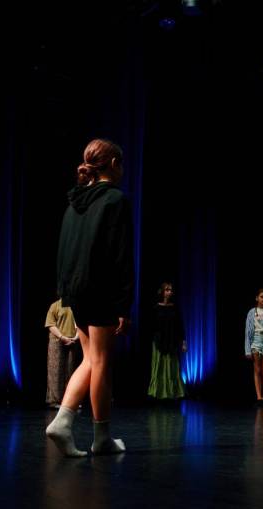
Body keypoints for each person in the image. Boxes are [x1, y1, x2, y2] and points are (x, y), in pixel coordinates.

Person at [46, 138, 134, 457]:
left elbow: (64, 249)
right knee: (101, 361)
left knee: (90, 359)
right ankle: (101, 437)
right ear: (113, 164)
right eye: (121, 164)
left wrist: (65, 291)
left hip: (76, 291)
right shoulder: (115, 200)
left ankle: (64, 423)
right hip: (101, 291)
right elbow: (120, 256)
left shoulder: (75, 201)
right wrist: (124, 302)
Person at [148, 282, 187, 400]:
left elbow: (180, 326)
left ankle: (172, 392)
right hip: (159, 342)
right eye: (167, 290)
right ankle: (158, 392)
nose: (170, 292)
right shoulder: (156, 308)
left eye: (171, 290)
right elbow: (152, 326)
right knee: (159, 366)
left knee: (172, 367)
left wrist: (183, 342)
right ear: (162, 292)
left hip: (172, 341)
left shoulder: (174, 308)